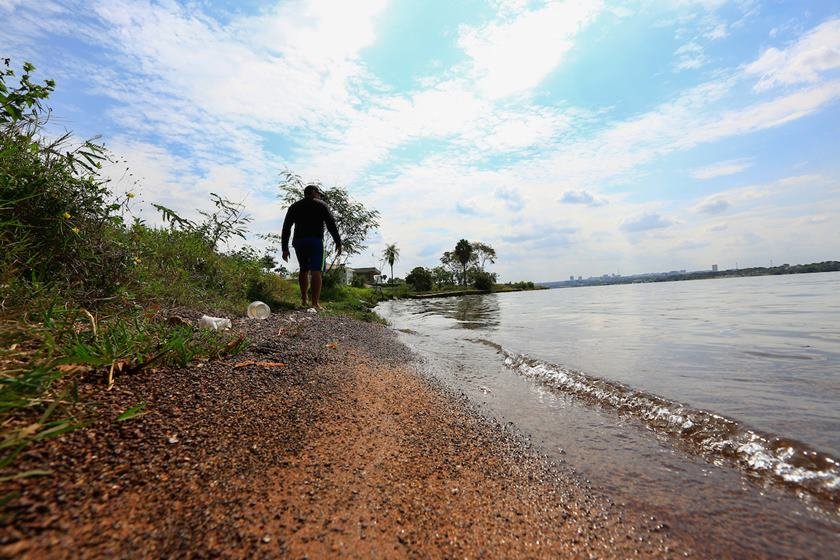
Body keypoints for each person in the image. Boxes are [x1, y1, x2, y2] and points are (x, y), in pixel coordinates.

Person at [281, 184, 342, 309]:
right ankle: (315, 303)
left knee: (303, 269)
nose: (319, 195)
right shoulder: (321, 205)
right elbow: (331, 225)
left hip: (299, 241)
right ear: (313, 192)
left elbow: (286, 227)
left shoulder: (294, 206)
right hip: (315, 241)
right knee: (316, 271)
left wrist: (285, 248)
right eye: (318, 193)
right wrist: (338, 242)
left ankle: (304, 300)